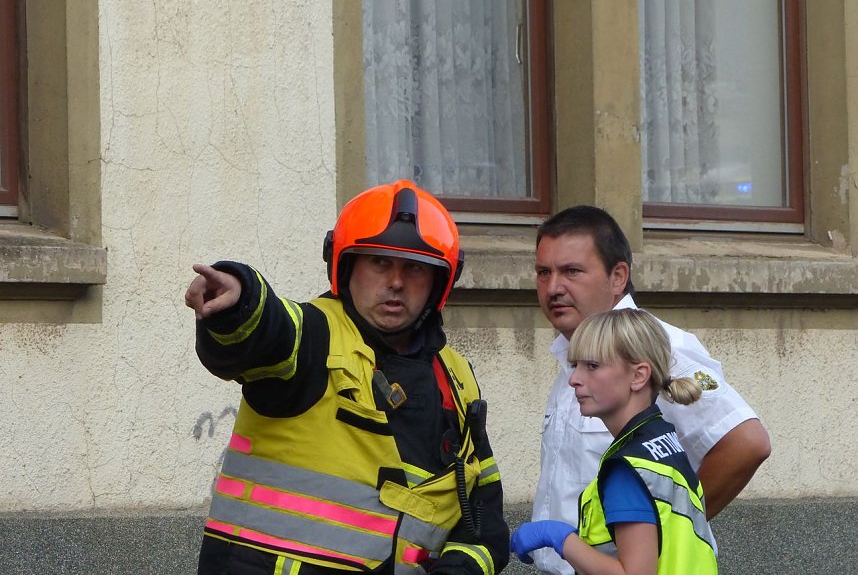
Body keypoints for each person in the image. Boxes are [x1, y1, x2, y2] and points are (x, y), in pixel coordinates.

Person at [184, 179, 509, 575]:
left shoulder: (456, 377)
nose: (396, 282)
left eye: (414, 268)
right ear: (345, 264)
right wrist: (241, 300)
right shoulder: (314, 338)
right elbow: (270, 330)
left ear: (440, 281)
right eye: (379, 262)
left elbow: (484, 522)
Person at [530, 205, 770, 574]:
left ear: (617, 277)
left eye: (571, 271)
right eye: (543, 272)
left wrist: (668, 529)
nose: (553, 287)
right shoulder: (574, 354)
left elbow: (746, 443)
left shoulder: (657, 347)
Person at [511, 309, 718, 573]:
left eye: (592, 366)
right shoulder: (663, 439)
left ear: (638, 376)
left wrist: (559, 538)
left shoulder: (627, 469)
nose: (574, 379)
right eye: (576, 366)